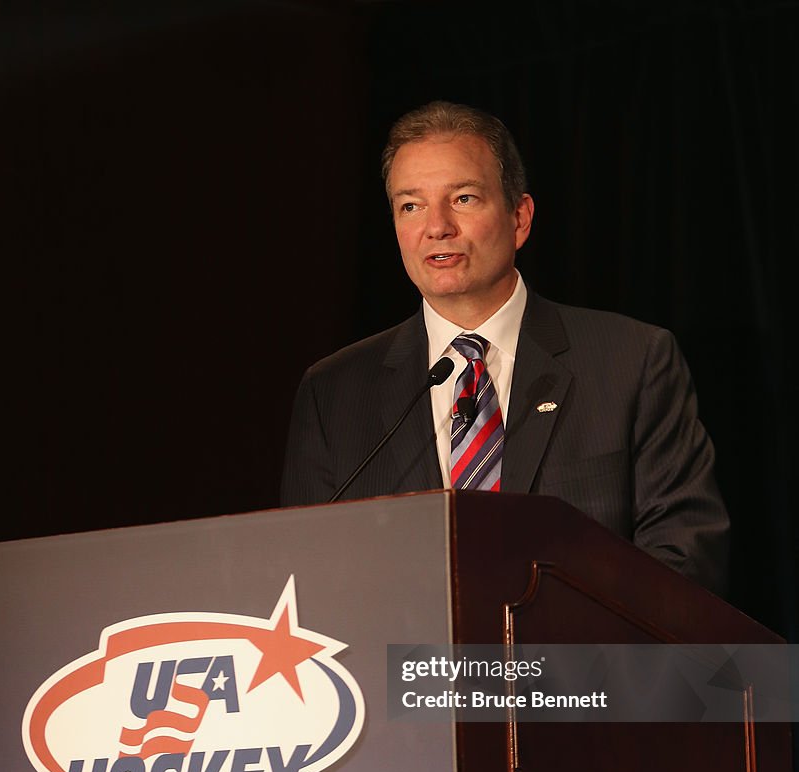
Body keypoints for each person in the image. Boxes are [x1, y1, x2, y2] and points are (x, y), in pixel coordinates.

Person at [280, 100, 729, 596]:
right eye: (411, 205)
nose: (437, 226)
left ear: (520, 217)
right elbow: (305, 581)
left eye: (464, 198)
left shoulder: (632, 361)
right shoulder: (335, 392)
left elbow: (684, 561)